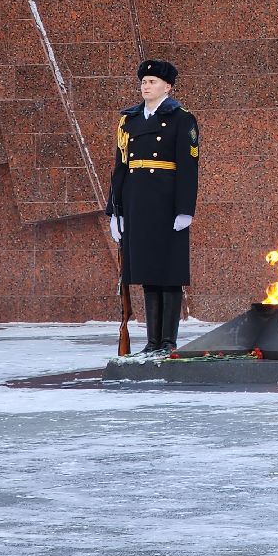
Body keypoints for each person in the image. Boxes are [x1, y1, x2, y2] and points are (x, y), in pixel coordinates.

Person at [107, 60, 199, 356]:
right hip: (136, 201)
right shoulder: (129, 120)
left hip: (167, 202)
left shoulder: (182, 119)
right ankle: (152, 341)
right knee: (147, 272)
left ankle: (168, 340)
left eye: (153, 82)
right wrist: (115, 211)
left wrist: (185, 209)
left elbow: (188, 166)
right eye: (144, 81)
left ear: (168, 87)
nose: (146, 86)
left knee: (168, 271)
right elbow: (120, 167)